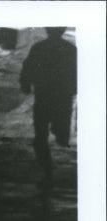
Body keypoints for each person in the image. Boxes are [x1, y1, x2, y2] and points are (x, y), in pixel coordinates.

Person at [19, 28, 77, 186]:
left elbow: (28, 67)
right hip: (62, 97)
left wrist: (25, 83)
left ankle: (47, 167)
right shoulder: (70, 49)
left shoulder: (39, 48)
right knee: (61, 130)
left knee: (40, 135)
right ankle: (59, 133)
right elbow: (77, 72)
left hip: (43, 95)